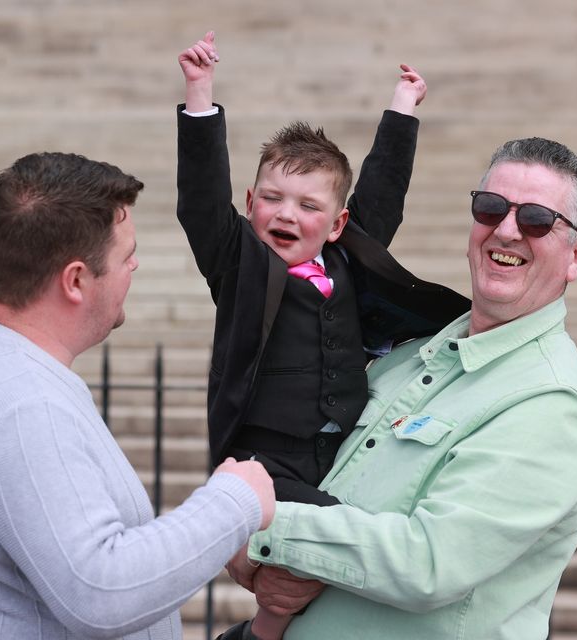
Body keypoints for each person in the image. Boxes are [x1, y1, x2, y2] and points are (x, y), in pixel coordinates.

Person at [228, 137, 577, 639]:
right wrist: (251, 557)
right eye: (491, 208)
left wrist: (256, 526)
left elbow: (430, 561)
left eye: (537, 219)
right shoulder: (407, 354)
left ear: (576, 255)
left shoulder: (554, 401)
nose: (508, 230)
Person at [0, 151, 276, 640]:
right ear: (76, 280)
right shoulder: (23, 404)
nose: (135, 265)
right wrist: (235, 502)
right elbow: (101, 591)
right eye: (126, 255)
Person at [177, 32, 469, 640]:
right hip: (268, 457)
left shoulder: (348, 260)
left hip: (339, 452)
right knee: (345, 539)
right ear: (251, 203)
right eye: (273, 200)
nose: (287, 215)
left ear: (337, 224)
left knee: (315, 576)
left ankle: (266, 628)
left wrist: (402, 109)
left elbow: (382, 194)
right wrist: (200, 96)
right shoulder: (240, 265)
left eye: (308, 206)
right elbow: (202, 203)